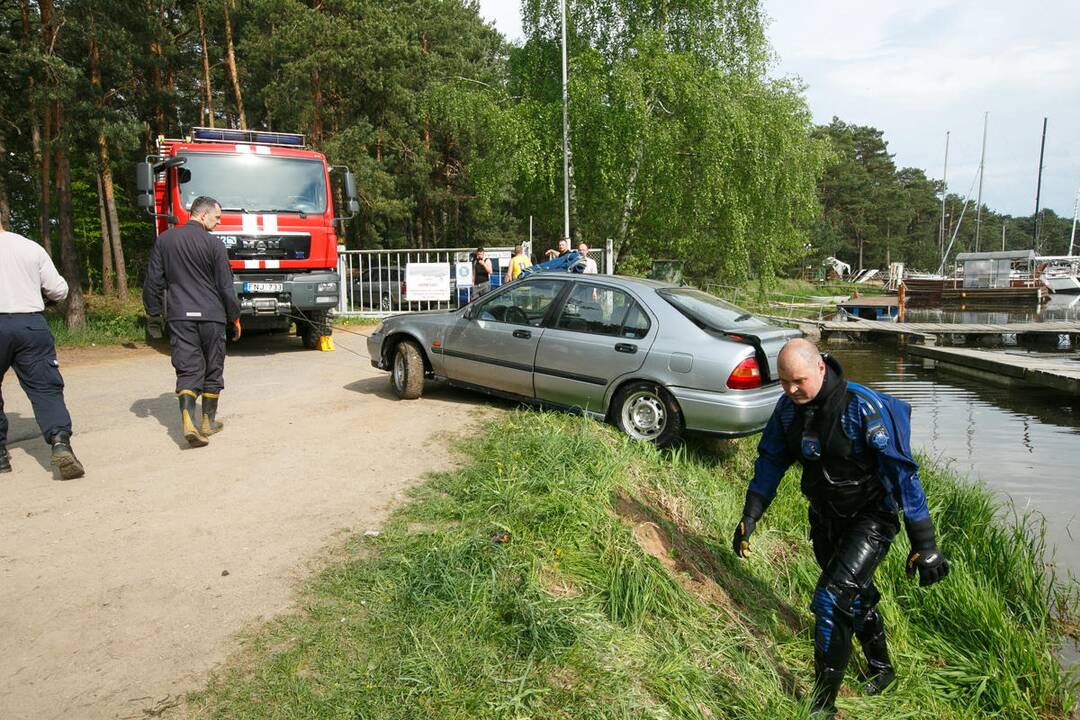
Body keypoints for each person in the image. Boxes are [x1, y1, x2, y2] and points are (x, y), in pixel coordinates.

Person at [732, 338, 949, 719]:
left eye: (798, 381)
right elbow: (770, 460)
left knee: (832, 598)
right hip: (825, 519)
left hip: (871, 520)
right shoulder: (787, 411)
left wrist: (925, 542)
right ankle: (883, 670)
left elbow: (904, 476)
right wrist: (750, 515)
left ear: (820, 368)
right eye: (784, 382)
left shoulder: (863, 407)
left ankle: (821, 707)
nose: (791, 390)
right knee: (855, 596)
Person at [143, 196, 241, 448]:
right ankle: (207, 421)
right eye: (217, 217)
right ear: (203, 214)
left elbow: (153, 280)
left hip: (179, 315)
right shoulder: (214, 245)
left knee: (188, 369)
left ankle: (188, 418)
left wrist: (153, 314)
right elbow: (225, 285)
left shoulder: (165, 240)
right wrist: (234, 316)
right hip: (212, 315)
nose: (218, 223)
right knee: (213, 367)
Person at [0, 230, 85, 479]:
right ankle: (60, 442)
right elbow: (59, 289)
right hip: (31, 325)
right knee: (45, 388)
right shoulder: (29, 247)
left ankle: (1, 459)